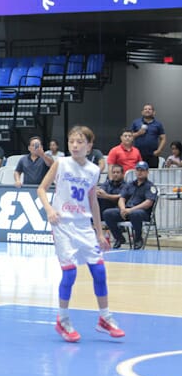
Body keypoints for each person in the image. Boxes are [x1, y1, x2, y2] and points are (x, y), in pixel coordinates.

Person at [37, 125, 125, 343]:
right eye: (72, 142)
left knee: (100, 272)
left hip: (84, 226)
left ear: (89, 146)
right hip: (63, 225)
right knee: (70, 274)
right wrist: (49, 209)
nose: (75, 146)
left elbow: (93, 200)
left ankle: (105, 317)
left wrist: (99, 233)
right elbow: (41, 189)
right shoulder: (61, 163)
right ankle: (63, 319)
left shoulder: (93, 170)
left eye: (79, 142)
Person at [102, 161, 157, 250]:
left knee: (135, 213)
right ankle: (119, 238)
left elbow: (148, 203)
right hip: (127, 211)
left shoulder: (150, 186)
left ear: (147, 172)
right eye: (138, 170)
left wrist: (131, 210)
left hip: (142, 213)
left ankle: (138, 238)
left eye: (142, 170)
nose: (139, 172)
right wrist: (123, 209)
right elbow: (122, 198)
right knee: (107, 213)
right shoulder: (130, 184)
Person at [131, 103, 166, 168]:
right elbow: (129, 136)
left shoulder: (158, 124)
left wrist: (159, 150)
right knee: (139, 173)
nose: (147, 110)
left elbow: (163, 138)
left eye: (149, 109)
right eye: (145, 109)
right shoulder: (136, 122)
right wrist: (138, 133)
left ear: (154, 112)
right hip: (138, 154)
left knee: (153, 174)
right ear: (142, 112)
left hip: (153, 155)